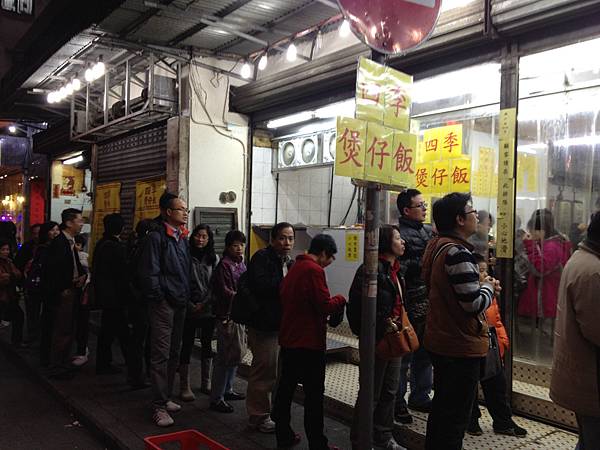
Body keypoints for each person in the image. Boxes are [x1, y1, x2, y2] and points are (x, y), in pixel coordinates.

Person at [421, 193, 499, 450]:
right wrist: (488, 287)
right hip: (459, 344)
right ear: (459, 219)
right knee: (454, 420)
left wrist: (480, 285)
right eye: (472, 211)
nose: (476, 215)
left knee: (442, 412)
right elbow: (472, 304)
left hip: (442, 338)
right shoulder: (457, 253)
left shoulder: (437, 245)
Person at [273, 234, 346, 450]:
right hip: (308, 344)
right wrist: (341, 299)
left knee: (285, 392)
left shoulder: (295, 267)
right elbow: (324, 305)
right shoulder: (314, 270)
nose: (330, 262)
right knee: (314, 397)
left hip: (289, 340)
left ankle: (283, 436)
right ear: (323, 253)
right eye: (330, 258)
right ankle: (317, 444)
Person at [349, 226, 407, 450]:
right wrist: (370, 334)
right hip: (376, 340)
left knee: (390, 391)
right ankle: (361, 440)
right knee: (370, 393)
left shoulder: (397, 269)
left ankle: (383, 437)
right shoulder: (370, 269)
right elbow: (356, 307)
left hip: (395, 339)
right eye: (398, 238)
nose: (402, 242)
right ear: (385, 242)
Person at [139, 192, 194, 427]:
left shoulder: (181, 237)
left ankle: (166, 396)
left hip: (180, 301)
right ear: (168, 212)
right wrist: (159, 298)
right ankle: (158, 406)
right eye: (181, 209)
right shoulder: (156, 238)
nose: (185, 213)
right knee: (160, 354)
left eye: (186, 209)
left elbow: (185, 270)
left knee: (174, 352)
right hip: (164, 303)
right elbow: (149, 272)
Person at [550, 212, 600, 450]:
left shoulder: (582, 258)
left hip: (582, 373)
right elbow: (595, 329)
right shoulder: (593, 271)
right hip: (591, 377)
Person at [467, 254, 527, 438]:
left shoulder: (489, 292)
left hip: (491, 342)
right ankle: (471, 420)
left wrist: (502, 341)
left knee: (497, 384)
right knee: (470, 386)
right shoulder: (468, 295)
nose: (485, 275)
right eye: (480, 271)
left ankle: (503, 421)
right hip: (473, 342)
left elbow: (497, 320)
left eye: (486, 270)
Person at [244, 222, 295, 433]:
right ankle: (258, 416)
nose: (287, 243)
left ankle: (271, 412)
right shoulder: (262, 258)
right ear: (272, 239)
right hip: (264, 324)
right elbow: (262, 286)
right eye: (282, 238)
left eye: (290, 238)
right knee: (264, 371)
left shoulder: (289, 262)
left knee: (277, 372)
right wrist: (288, 283)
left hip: (282, 325)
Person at [394, 189, 434, 423]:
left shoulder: (428, 231)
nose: (425, 209)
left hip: (427, 301)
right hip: (410, 302)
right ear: (406, 210)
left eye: (425, 204)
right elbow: (402, 270)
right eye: (420, 205)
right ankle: (398, 401)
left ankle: (420, 395)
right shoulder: (400, 235)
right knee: (405, 354)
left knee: (425, 353)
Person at [41, 209, 87, 378]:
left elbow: (74, 265)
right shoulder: (60, 243)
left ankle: (62, 363)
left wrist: (82, 276)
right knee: (62, 330)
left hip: (71, 290)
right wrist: (67, 285)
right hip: (64, 292)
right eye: (79, 221)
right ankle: (57, 366)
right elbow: (54, 271)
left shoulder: (70, 241)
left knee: (68, 329)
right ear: (68, 223)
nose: (81, 224)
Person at [179, 224, 218, 401]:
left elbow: (215, 284)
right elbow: (180, 282)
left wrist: (204, 303)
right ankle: (184, 386)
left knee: (207, 344)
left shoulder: (213, 259)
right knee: (186, 344)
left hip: (207, 309)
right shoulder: (184, 256)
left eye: (204, 237)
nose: (200, 239)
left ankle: (206, 382)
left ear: (209, 239)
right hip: (188, 308)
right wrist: (189, 304)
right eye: (197, 235)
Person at [210, 230, 247, 413]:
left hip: (238, 315)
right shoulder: (224, 265)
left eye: (241, 245)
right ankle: (217, 398)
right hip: (226, 316)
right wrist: (242, 297)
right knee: (224, 357)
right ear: (227, 247)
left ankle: (228, 389)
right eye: (235, 245)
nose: (239, 248)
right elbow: (223, 290)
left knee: (235, 355)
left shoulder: (241, 264)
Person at [518, 209, 571, 325]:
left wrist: (530, 246)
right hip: (544, 298)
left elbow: (540, 268)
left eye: (532, 229)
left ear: (541, 231)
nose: (530, 232)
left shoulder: (552, 247)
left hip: (545, 299)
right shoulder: (549, 244)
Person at [93, 214, 130, 375]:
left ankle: (105, 362)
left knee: (110, 330)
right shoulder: (115, 247)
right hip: (115, 296)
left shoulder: (101, 243)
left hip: (106, 295)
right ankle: (110, 364)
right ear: (121, 228)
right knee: (117, 331)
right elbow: (122, 273)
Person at [127, 218, 161, 389]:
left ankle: (141, 374)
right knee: (141, 340)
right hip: (143, 301)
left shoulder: (136, 247)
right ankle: (138, 376)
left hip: (139, 300)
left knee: (141, 339)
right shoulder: (144, 250)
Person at [36, 222, 61, 364]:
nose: (55, 232)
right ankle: (45, 356)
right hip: (47, 289)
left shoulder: (55, 247)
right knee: (48, 321)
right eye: (52, 230)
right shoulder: (44, 249)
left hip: (49, 289)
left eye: (57, 229)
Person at [0, 238, 24, 345]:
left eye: (7, 249)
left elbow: (18, 274)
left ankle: (16, 341)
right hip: (3, 295)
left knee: (19, 316)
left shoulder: (9, 262)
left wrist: (10, 276)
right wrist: (11, 276)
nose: (6, 252)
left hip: (10, 295)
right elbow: (3, 279)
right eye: (3, 250)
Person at [72, 234, 90, 367]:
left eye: (78, 245)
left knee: (81, 323)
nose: (76, 247)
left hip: (82, 294)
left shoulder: (83, 259)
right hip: (78, 294)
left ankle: (82, 351)